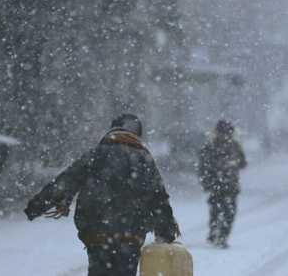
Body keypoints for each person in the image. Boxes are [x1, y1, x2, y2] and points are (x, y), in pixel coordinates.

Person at [24, 114, 180, 276]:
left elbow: (66, 181)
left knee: (99, 271)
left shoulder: (95, 155)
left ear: (111, 130)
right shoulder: (143, 158)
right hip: (131, 233)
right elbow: (158, 197)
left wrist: (37, 205)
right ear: (137, 134)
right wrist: (165, 230)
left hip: (96, 231)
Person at [198, 119, 247, 248]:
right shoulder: (230, 146)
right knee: (225, 212)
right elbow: (243, 163)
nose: (225, 136)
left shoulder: (212, 146)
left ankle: (217, 235)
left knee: (220, 211)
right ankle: (219, 236)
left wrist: (206, 182)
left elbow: (203, 168)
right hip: (225, 186)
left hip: (221, 186)